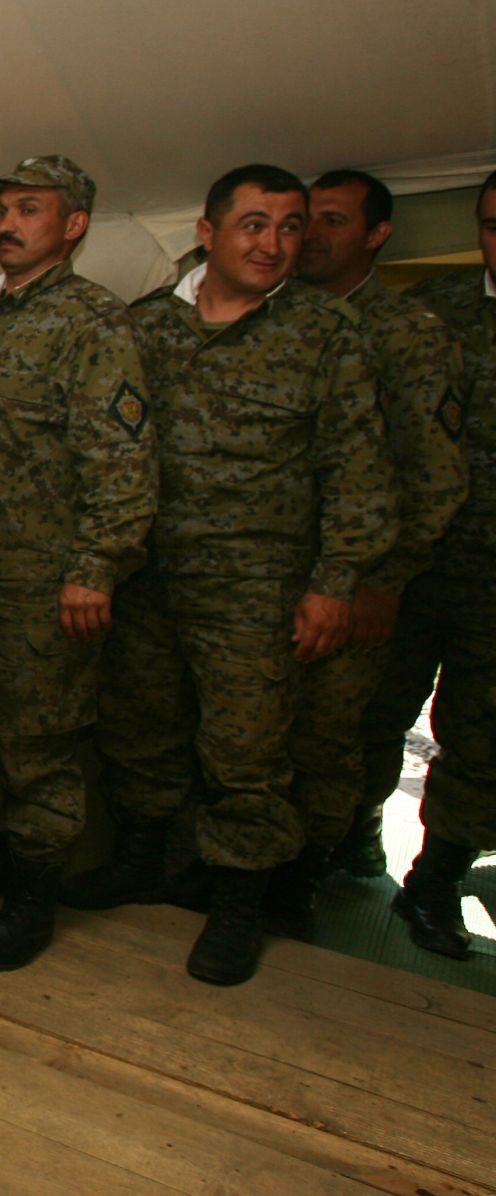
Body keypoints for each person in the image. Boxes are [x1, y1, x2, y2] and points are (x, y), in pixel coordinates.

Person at [69, 164, 395, 986]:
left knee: (247, 752)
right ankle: (143, 860)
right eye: (254, 225)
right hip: (148, 577)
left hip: (258, 587)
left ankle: (240, 903)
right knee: (139, 726)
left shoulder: (325, 335)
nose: (276, 244)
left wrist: (334, 583)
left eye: (291, 228)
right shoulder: (145, 328)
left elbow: (358, 470)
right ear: (208, 234)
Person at [0, 155, 156, 971]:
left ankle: (33, 897)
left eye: (30, 208)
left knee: (39, 744)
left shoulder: (93, 322)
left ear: (75, 224)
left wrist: (96, 565)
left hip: (44, 581)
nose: (9, 224)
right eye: (3, 210)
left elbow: (122, 460)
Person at [280, 170, 467, 932]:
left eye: (330, 220)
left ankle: (301, 879)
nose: (309, 237)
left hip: (353, 578)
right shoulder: (276, 320)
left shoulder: (406, 332)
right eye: (302, 221)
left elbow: (434, 472)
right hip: (264, 573)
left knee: (332, 736)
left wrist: (382, 580)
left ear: (375, 235)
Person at [358, 169, 496, 957]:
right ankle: (348, 844)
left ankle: (437, 877)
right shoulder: (434, 316)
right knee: (372, 712)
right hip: (414, 566)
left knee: (482, 734)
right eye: (489, 224)